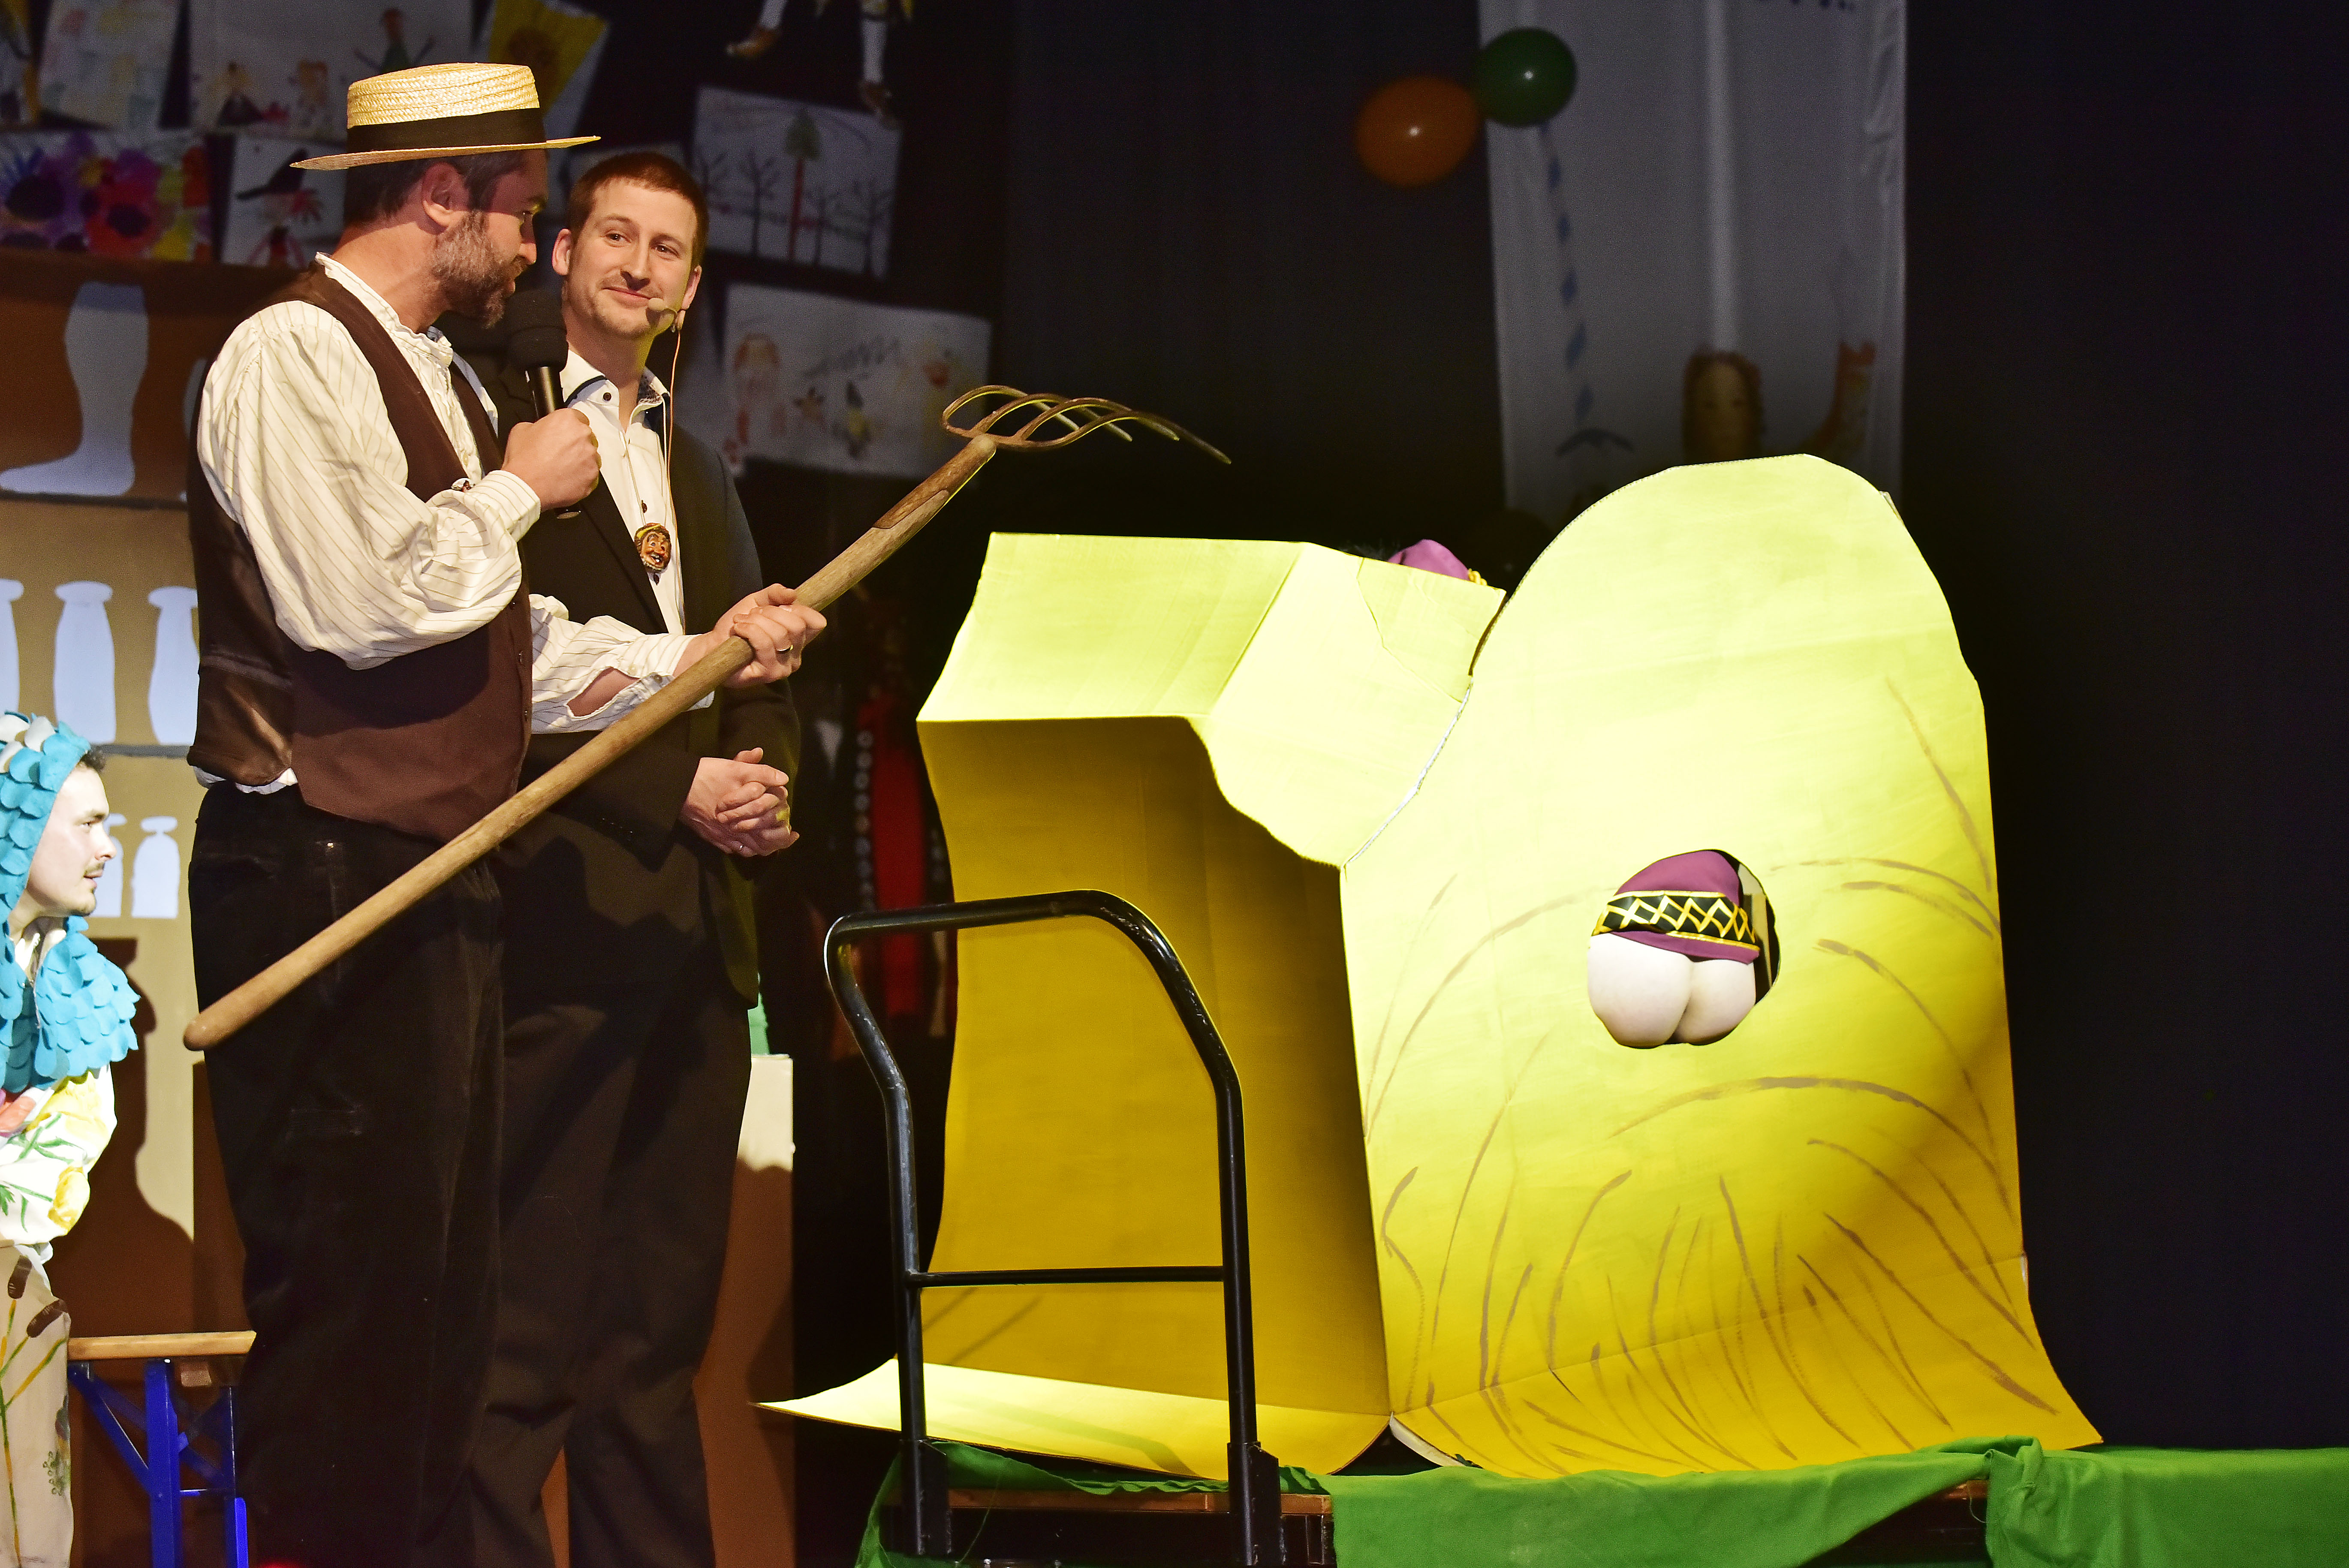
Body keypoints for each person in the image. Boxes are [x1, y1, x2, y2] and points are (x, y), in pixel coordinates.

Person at [184, 63, 822, 1568]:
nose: (536, 249)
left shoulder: (441, 380)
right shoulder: (292, 353)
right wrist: (520, 492)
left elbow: (511, 646)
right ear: (439, 199)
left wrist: (701, 655)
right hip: (318, 864)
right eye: (526, 215)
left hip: (428, 878)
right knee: (350, 1307)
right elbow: (359, 606)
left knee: (432, 1314)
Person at [457, 150, 813, 1568]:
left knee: (655, 1342)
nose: (637, 265)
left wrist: (763, 781)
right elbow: (498, 688)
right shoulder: (499, 430)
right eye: (615, 234)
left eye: (666, 249)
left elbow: (754, 662)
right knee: (524, 1326)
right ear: (562, 252)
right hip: (560, 925)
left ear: (691, 283)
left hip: (692, 948)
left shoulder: (696, 461)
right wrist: (674, 788)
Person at [0, 713, 138, 1565]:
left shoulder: (73, 983)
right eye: (86, 823)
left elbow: (70, 1151)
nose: (106, 847)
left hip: (18, 1291)